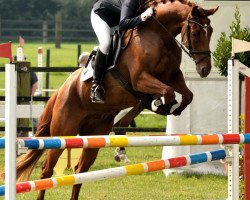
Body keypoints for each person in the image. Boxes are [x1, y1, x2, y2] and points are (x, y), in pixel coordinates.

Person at [91, 0, 154, 103]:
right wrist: (142, 17)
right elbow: (123, 24)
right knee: (106, 43)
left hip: (114, 19)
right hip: (100, 15)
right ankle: (95, 86)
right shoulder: (130, 1)